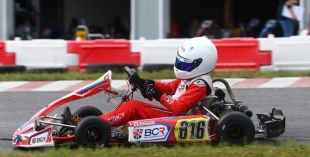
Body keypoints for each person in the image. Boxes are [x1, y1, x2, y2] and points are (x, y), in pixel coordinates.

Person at [62, 37, 218, 128]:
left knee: (133, 107)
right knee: (130, 106)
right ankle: (91, 121)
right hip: (175, 114)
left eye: (187, 64)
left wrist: (156, 94)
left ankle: (90, 124)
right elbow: (170, 87)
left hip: (181, 119)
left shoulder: (200, 84)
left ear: (202, 63)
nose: (182, 67)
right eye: (181, 62)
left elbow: (178, 108)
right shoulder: (191, 78)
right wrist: (144, 82)